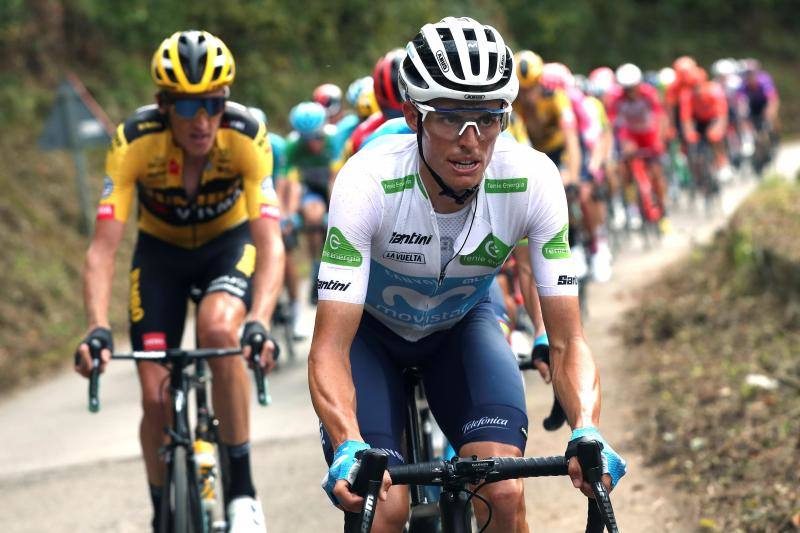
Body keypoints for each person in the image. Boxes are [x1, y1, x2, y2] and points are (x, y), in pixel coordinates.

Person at [308, 17, 626, 533]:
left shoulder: (533, 179)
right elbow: (328, 348)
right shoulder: (367, 181)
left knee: (502, 490)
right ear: (412, 115)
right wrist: (347, 441)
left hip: (462, 326)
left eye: (488, 117)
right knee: (382, 507)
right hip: (371, 337)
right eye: (451, 117)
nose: (470, 140)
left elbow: (569, 340)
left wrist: (587, 429)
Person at [73, 30, 284, 533]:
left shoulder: (247, 133)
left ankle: (242, 493)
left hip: (227, 247)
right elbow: (103, 250)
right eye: (188, 107)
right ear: (163, 105)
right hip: (161, 255)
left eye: (213, 103)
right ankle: (161, 509)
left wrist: (258, 321)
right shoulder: (134, 142)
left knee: (218, 330)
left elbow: (271, 242)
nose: (203, 120)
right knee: (154, 397)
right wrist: (96, 327)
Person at [284, 101, 338, 305]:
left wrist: (337, 210)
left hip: (332, 186)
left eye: (317, 137)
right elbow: (289, 183)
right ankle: (317, 269)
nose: (313, 144)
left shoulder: (334, 139)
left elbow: (335, 178)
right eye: (307, 139)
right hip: (310, 191)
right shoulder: (292, 145)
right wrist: (287, 213)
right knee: (314, 217)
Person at [607, 63, 670, 231]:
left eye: (632, 88)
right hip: (631, 137)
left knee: (656, 172)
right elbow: (614, 124)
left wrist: (660, 140)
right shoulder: (617, 99)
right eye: (626, 89)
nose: (630, 93)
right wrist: (620, 146)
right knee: (624, 169)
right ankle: (633, 206)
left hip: (650, 135)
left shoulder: (649, 93)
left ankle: (663, 210)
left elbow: (660, 117)